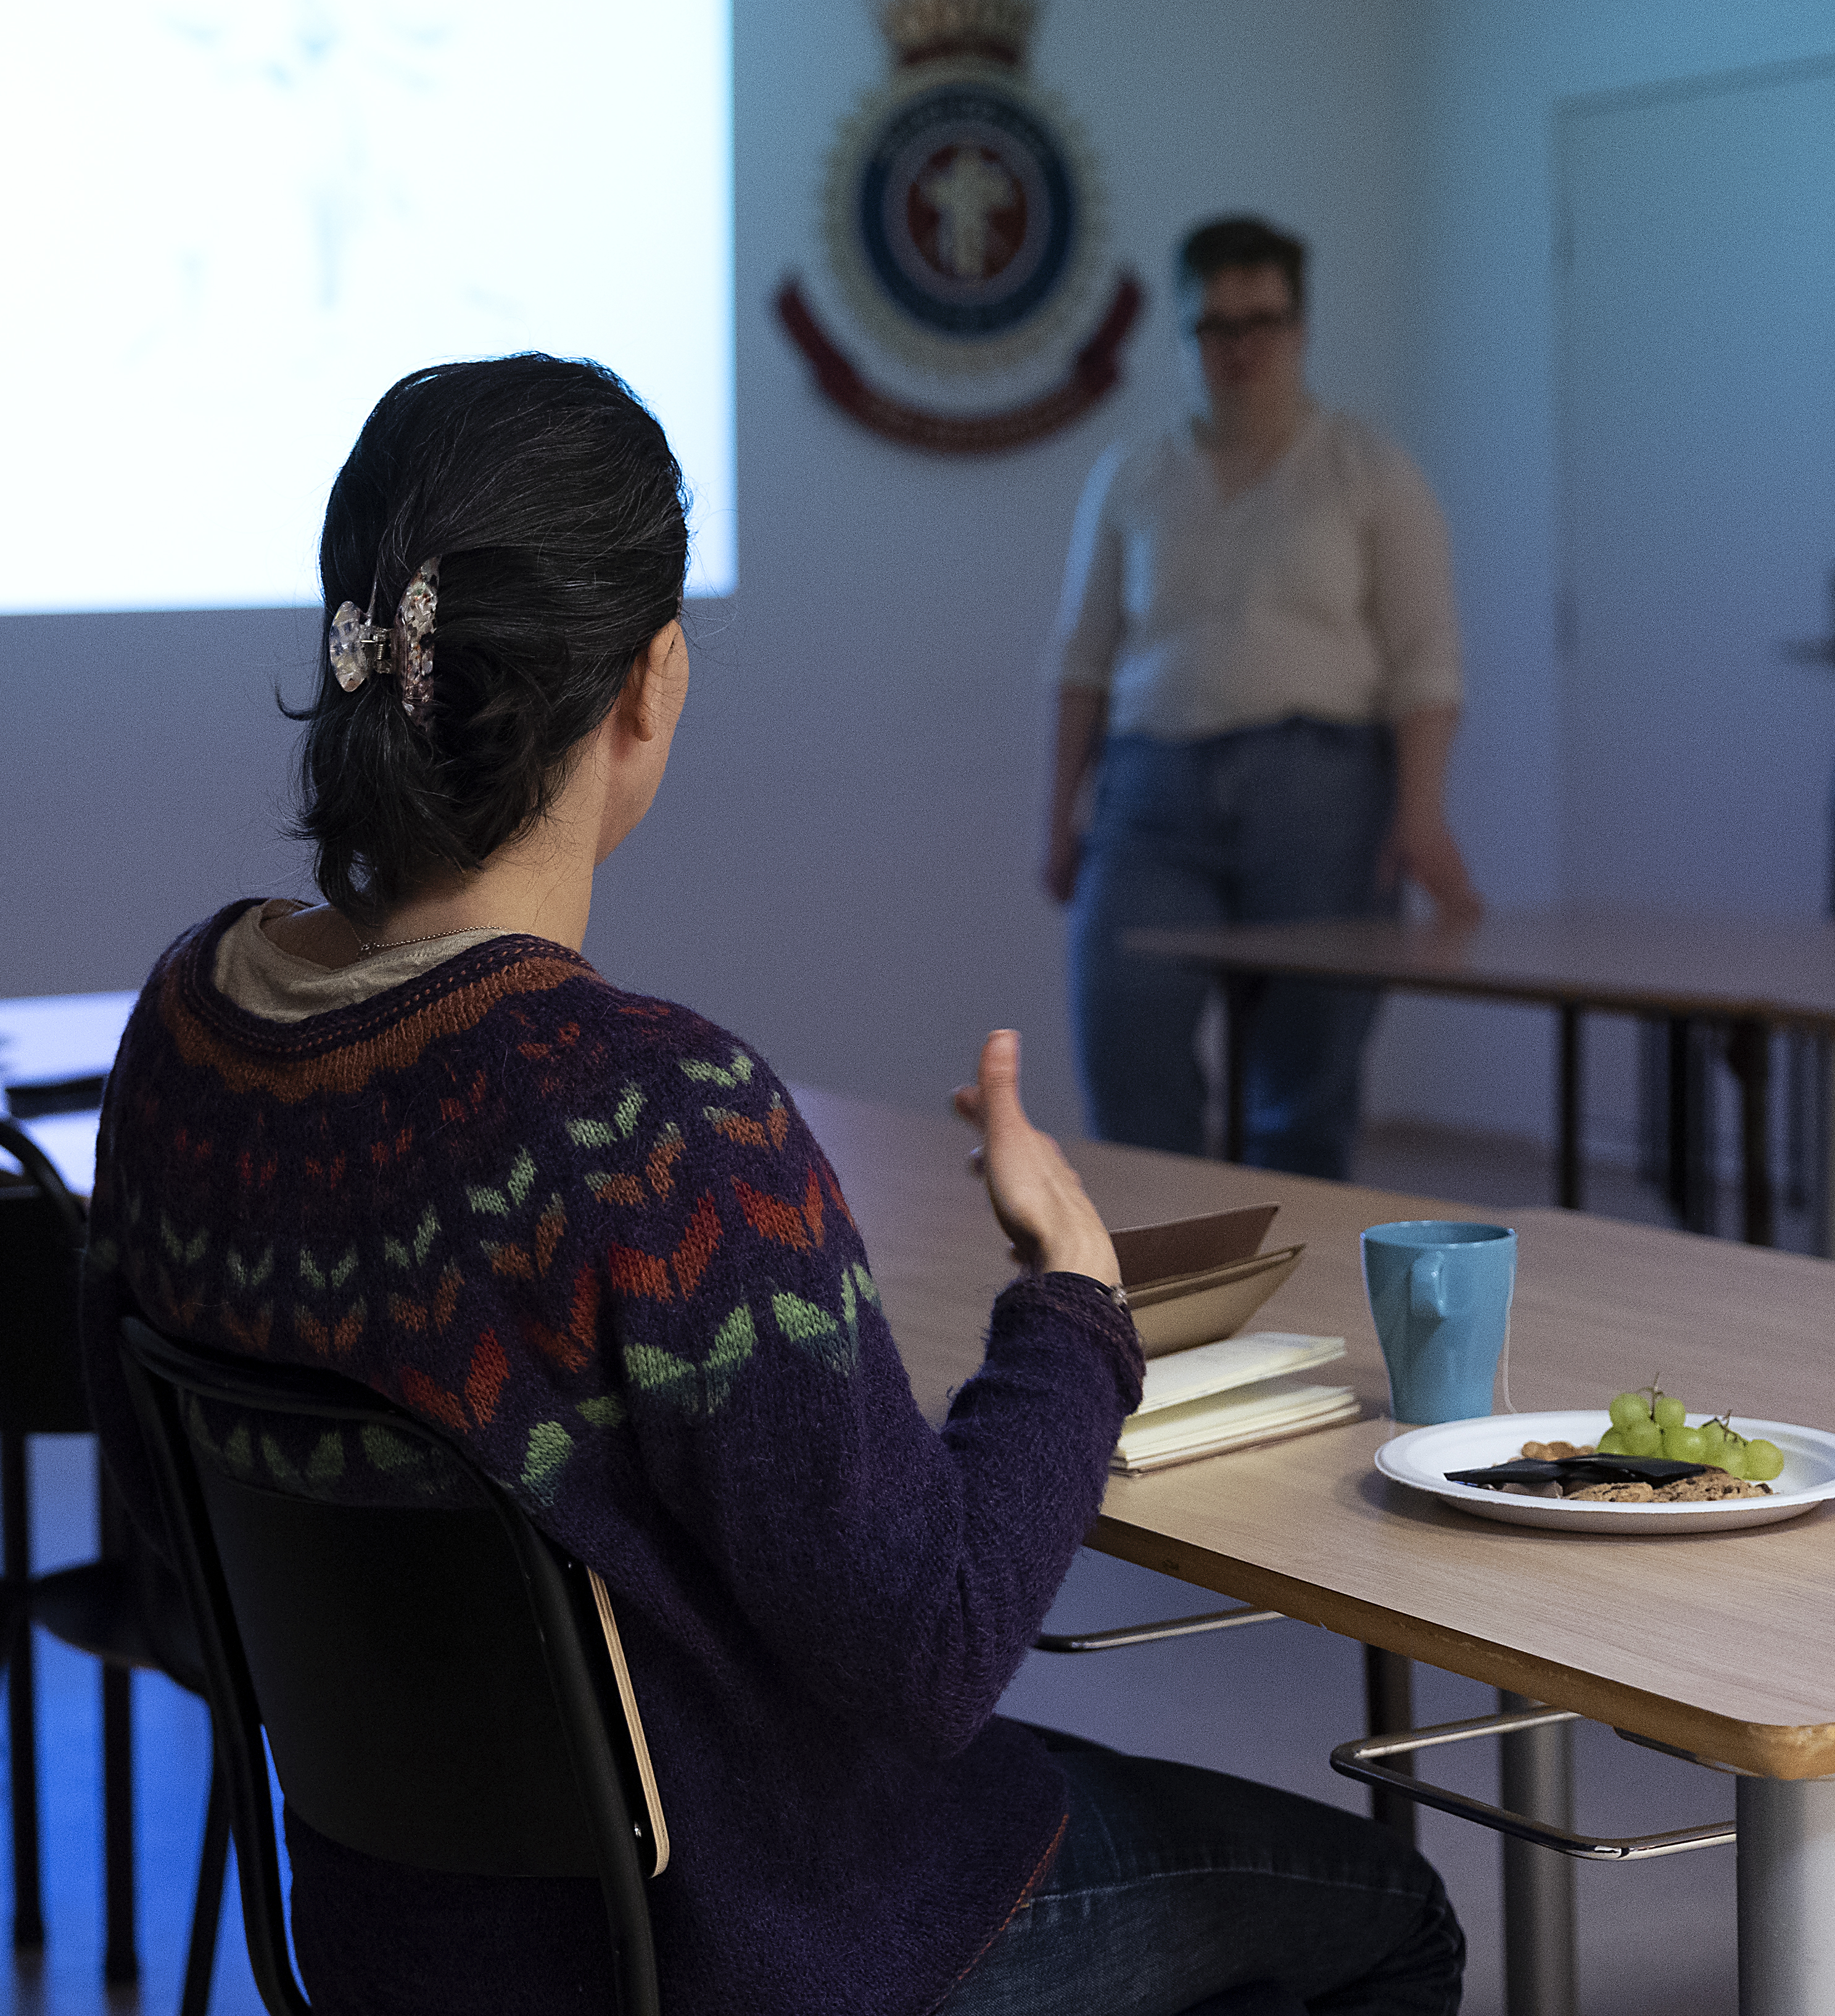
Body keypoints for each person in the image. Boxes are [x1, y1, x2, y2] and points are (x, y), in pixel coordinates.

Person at [78, 355, 1461, 2015]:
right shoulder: (645, 1122)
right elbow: (930, 1649)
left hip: (391, 1953)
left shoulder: (185, 1028)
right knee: (1385, 1912)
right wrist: (1075, 1310)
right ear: (651, 684)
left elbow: (173, 1584)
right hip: (752, 1948)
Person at [1044, 216, 1479, 1178]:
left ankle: (1301, 1297)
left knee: (1306, 1086)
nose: (1239, 346)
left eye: (1262, 321)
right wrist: (1060, 818)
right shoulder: (1134, 476)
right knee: (1127, 1049)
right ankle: (1149, 1289)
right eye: (1214, 326)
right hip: (1151, 793)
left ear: (1301, 329)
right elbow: (1084, 659)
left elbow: (1426, 660)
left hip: (1321, 792)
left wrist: (1420, 812)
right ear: (1185, 335)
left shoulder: (1370, 470)